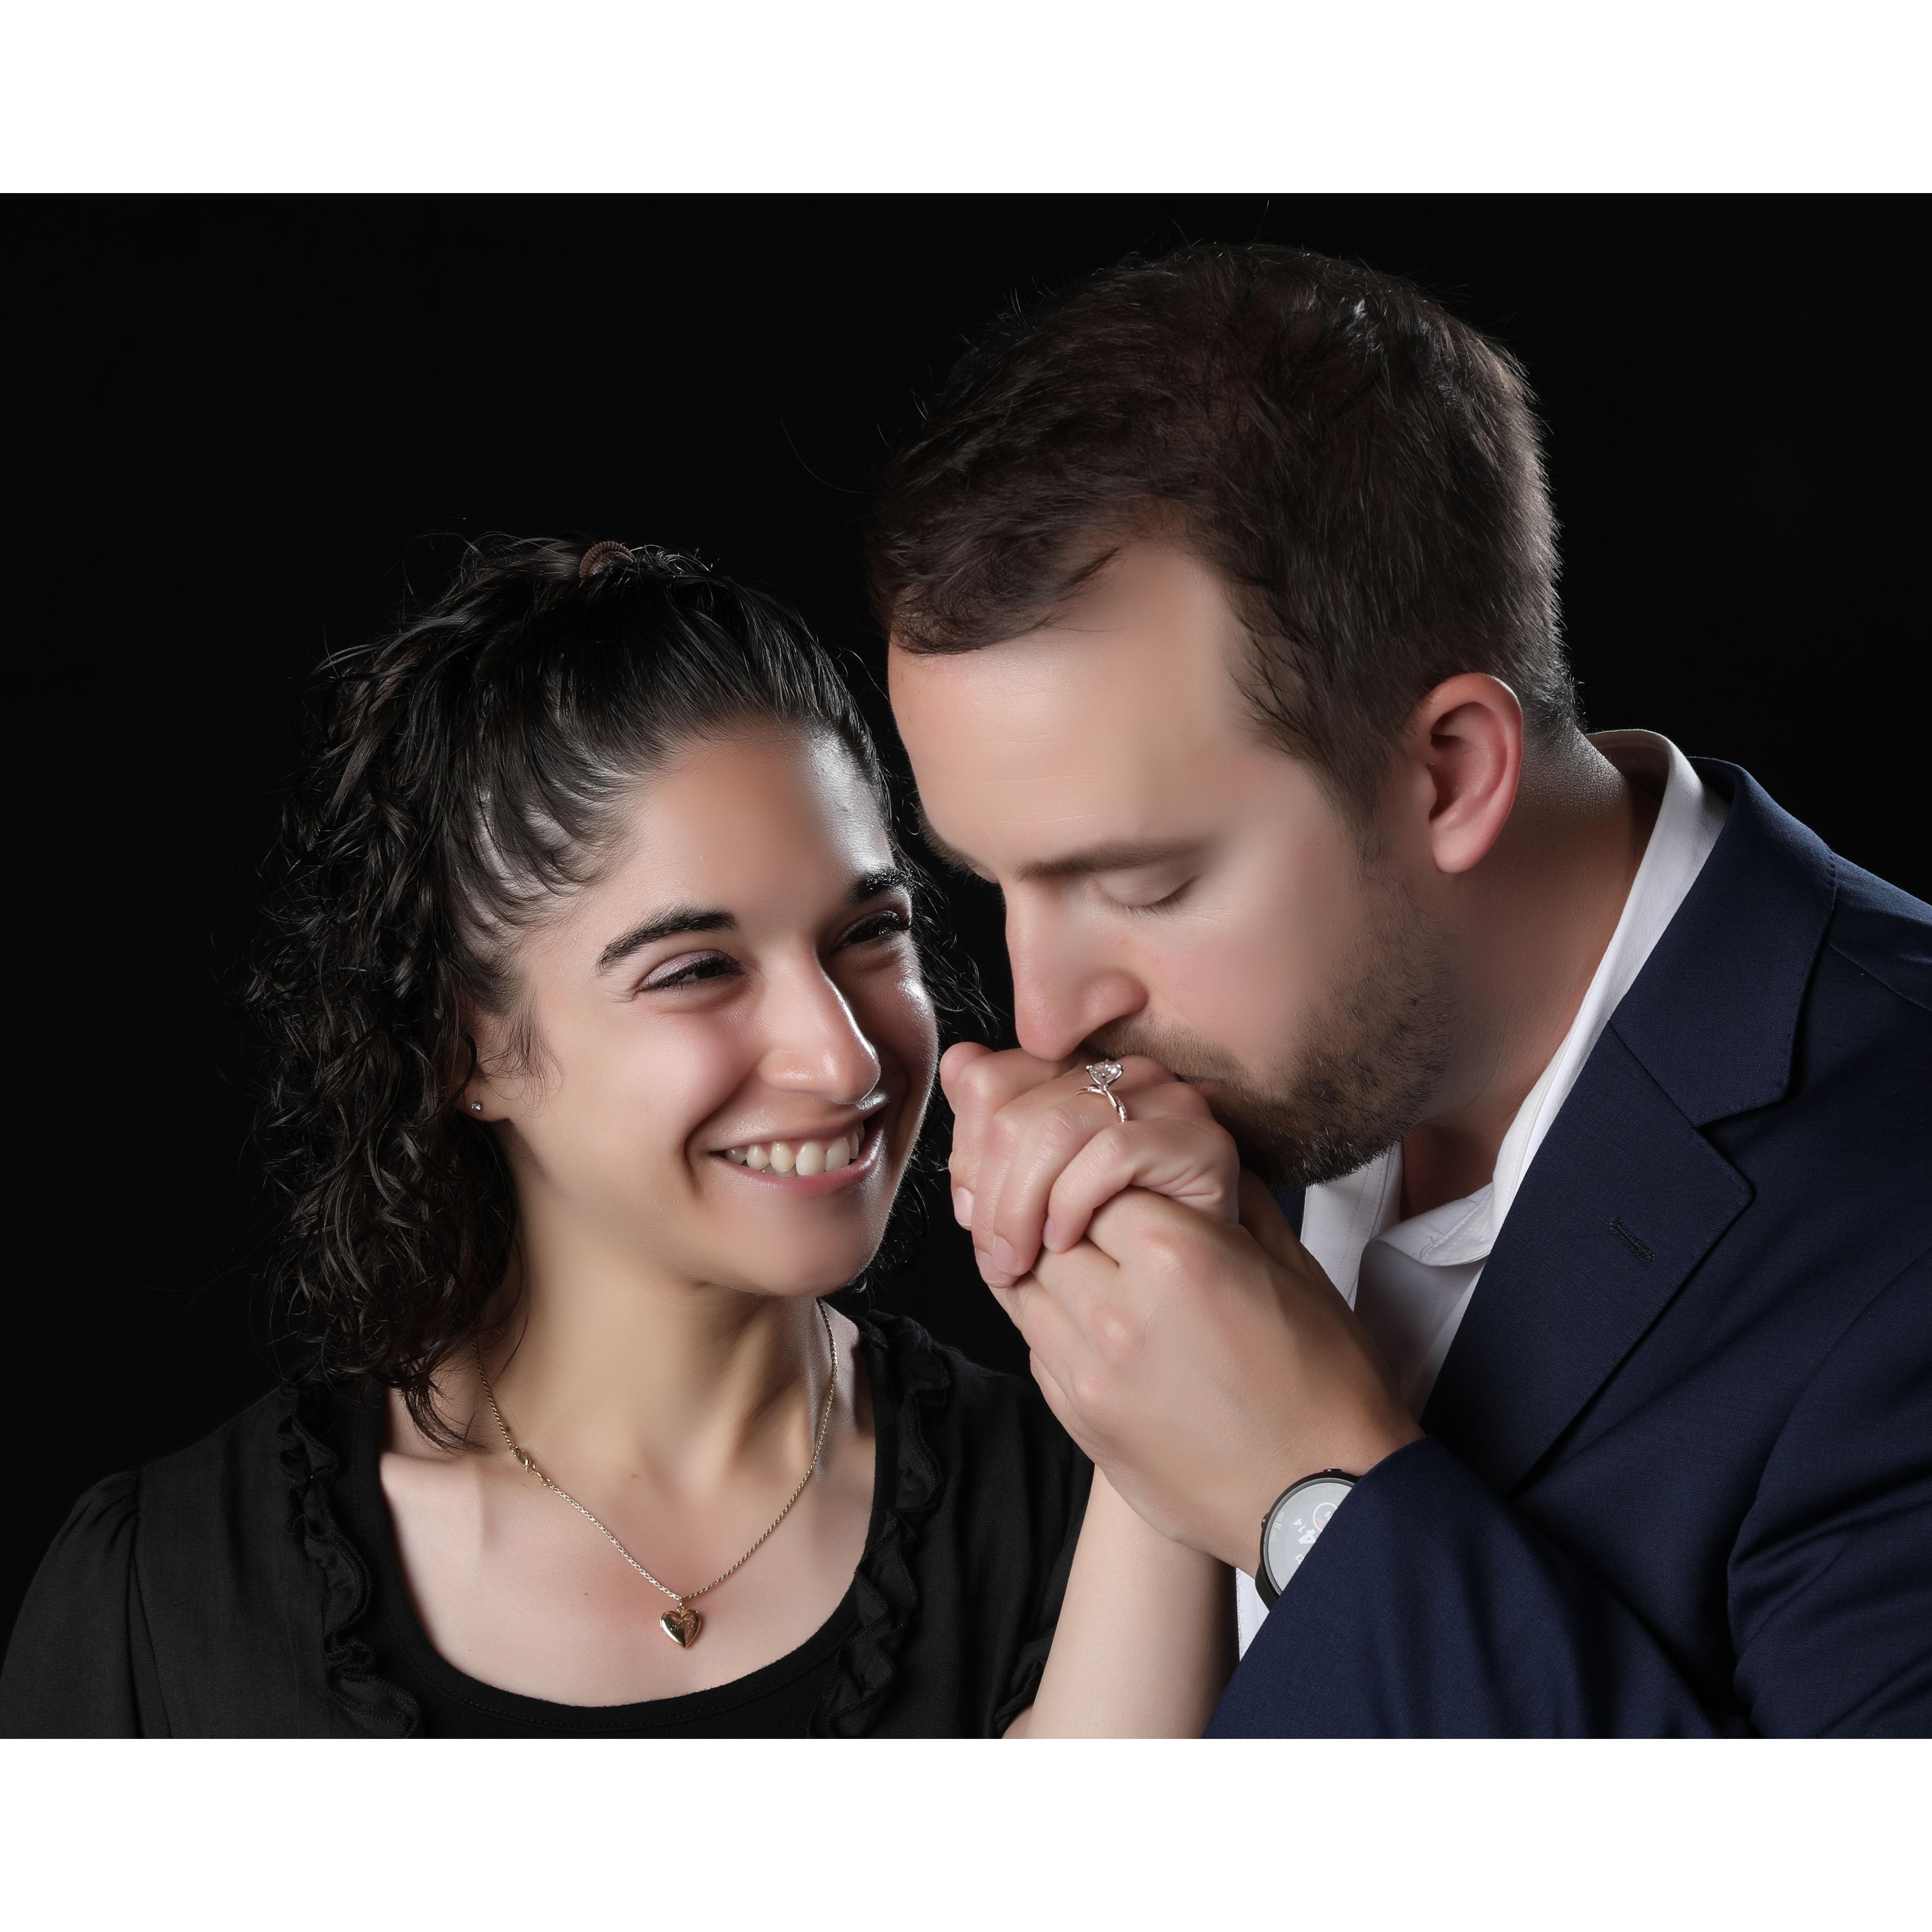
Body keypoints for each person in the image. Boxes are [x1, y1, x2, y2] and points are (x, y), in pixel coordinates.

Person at [872, 243, 1932, 1735]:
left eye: (1145, 883)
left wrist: (1306, 1495)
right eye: (999, 881)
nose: (1045, 1020)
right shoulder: (1246, 1113)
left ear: (1448, 773)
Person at [0, 537, 1233, 1737]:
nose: (844, 1057)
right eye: (697, 968)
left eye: (869, 932)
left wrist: (1166, 1332)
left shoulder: (1093, 1506)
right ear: (464, 1047)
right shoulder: (164, 1604)